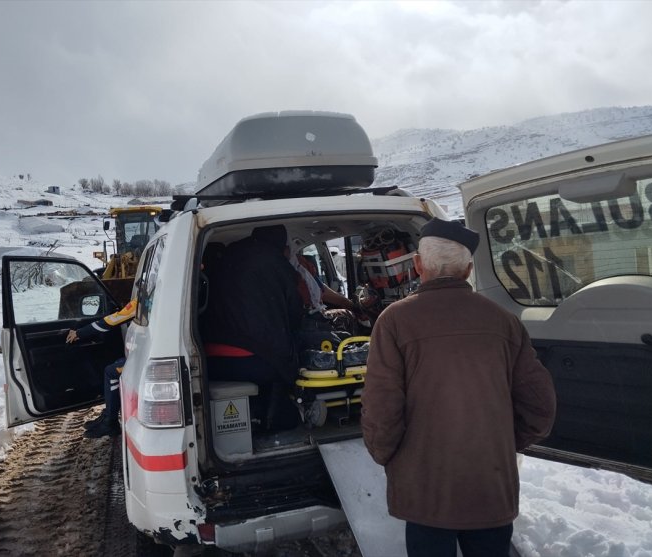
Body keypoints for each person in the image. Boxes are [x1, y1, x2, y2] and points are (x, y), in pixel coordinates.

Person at [361, 217, 556, 557]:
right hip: (490, 487)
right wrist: (503, 443)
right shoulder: (504, 321)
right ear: (468, 270)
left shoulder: (393, 321)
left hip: (424, 491)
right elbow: (540, 406)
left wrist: (387, 455)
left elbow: (382, 407)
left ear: (419, 265)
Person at [202, 225, 322, 431]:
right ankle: (284, 421)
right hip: (256, 359)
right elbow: (296, 312)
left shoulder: (224, 258)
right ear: (282, 245)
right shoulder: (279, 264)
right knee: (288, 365)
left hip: (210, 359)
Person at [65, 298, 136, 438]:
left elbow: (113, 319)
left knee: (111, 372)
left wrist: (80, 333)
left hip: (147, 358)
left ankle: (111, 422)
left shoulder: (145, 297)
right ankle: (109, 413)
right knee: (117, 363)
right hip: (144, 353)